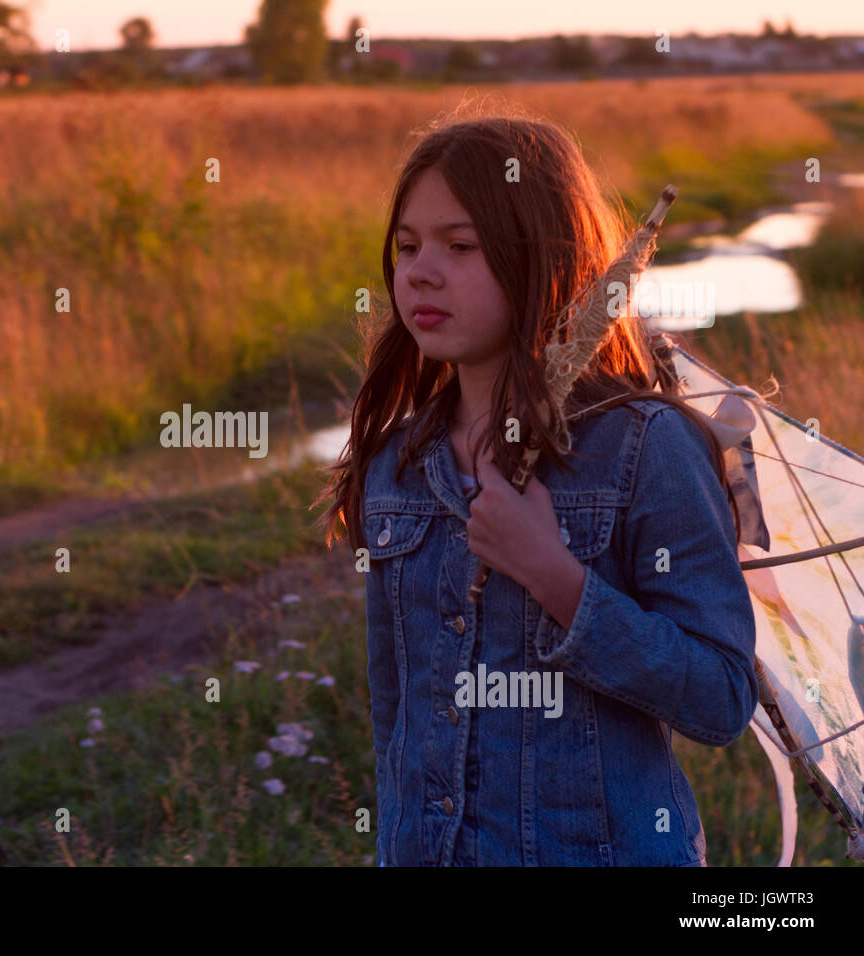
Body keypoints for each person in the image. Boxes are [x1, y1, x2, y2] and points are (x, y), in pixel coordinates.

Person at [313, 113, 758, 866]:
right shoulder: (396, 462)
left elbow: (719, 697)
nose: (421, 272)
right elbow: (398, 714)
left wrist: (556, 577)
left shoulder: (644, 446)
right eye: (409, 247)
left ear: (542, 259)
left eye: (461, 247)